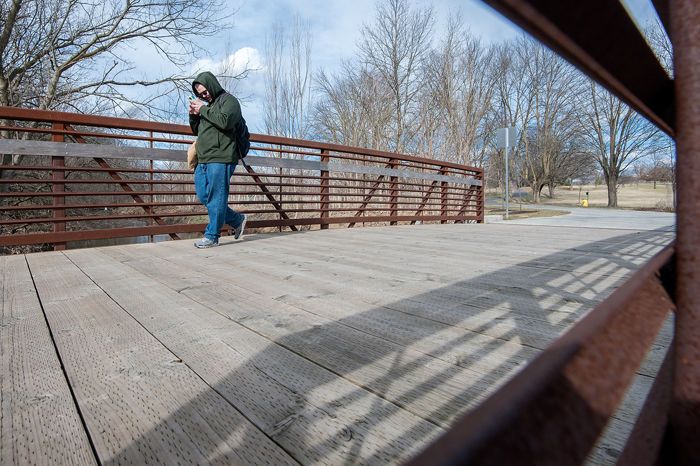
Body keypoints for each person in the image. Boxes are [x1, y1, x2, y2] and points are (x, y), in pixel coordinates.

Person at [189, 71, 247, 248]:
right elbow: (196, 130)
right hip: (204, 158)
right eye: (199, 95)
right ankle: (237, 220)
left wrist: (203, 109)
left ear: (212, 85)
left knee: (216, 197)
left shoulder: (229, 101)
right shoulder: (207, 107)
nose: (203, 96)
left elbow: (226, 122)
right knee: (204, 195)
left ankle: (212, 236)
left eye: (205, 92)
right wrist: (193, 114)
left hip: (221, 157)